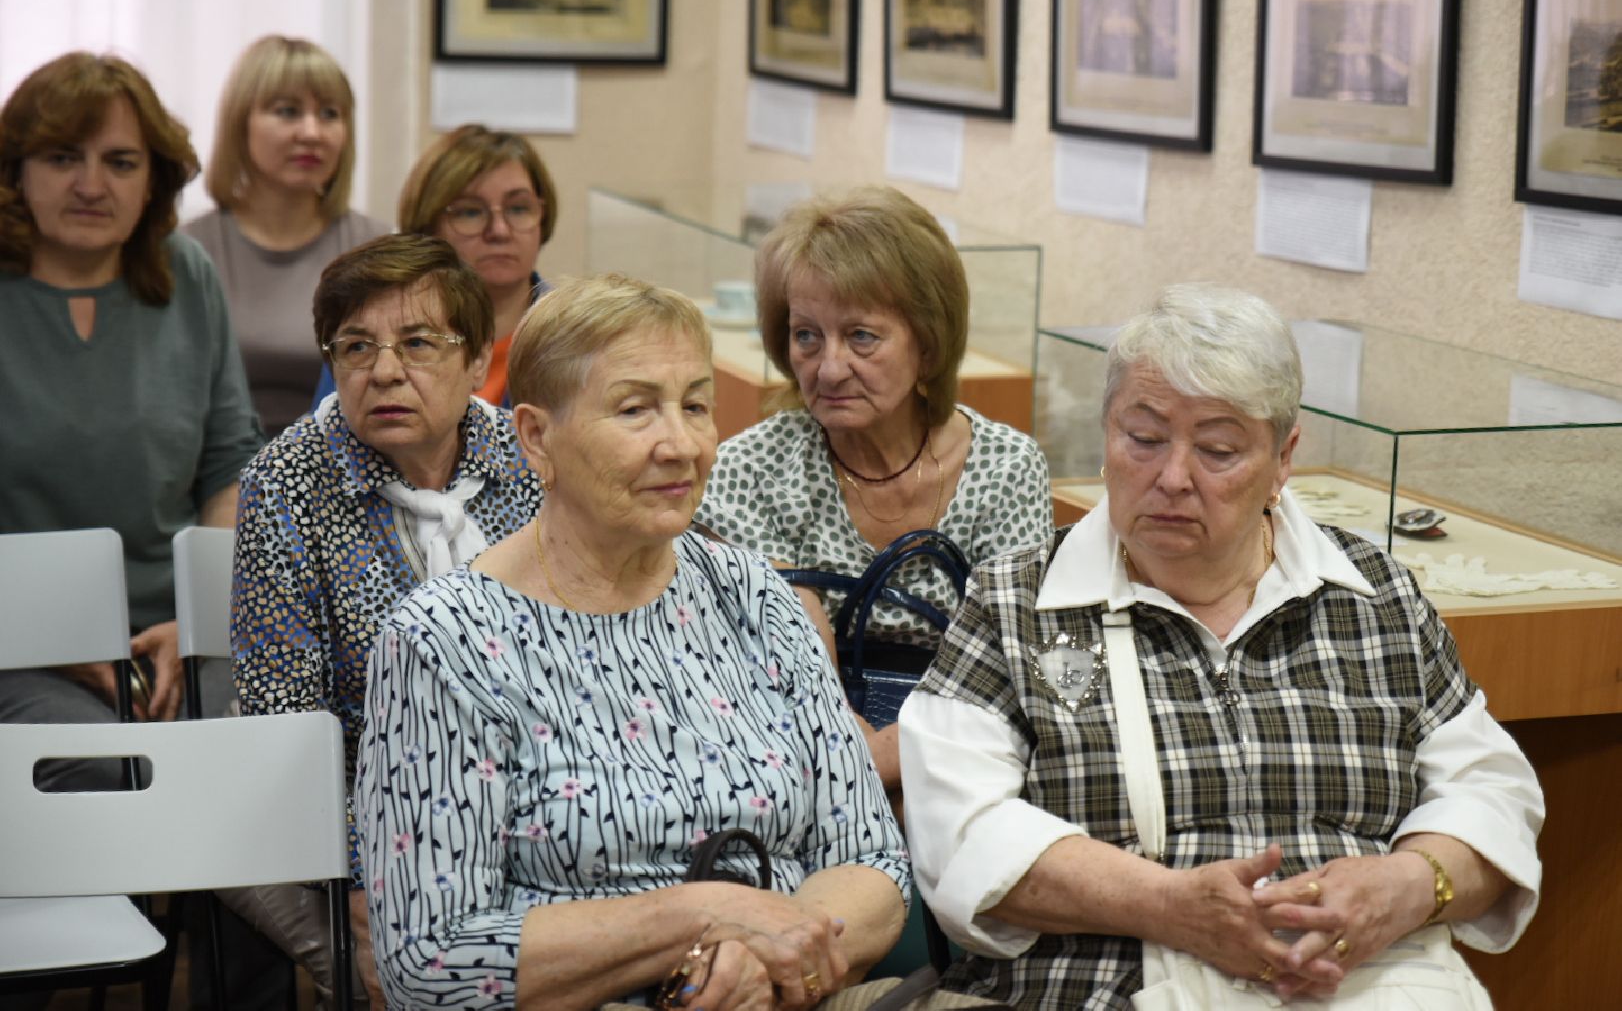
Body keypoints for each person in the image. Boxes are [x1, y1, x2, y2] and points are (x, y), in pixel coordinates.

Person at [898, 286, 1545, 1008]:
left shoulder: (1372, 595)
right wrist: (1169, 905)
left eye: (1218, 449)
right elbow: (958, 830)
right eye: (1143, 439)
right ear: (1105, 432)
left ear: (1283, 456)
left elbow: (1492, 790)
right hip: (1115, 979)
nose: (1173, 478)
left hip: (1374, 979)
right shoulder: (1015, 603)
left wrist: (1414, 884)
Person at [356, 273, 987, 1011]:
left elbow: (873, 862)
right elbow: (430, 962)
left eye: (695, 405)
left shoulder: (753, 596)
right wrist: (697, 920)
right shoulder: (445, 641)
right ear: (536, 435)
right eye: (636, 410)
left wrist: (765, 960)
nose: (682, 444)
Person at [0, 51, 275, 1004]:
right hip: (19, 653)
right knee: (99, 768)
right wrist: (58, 636)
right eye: (62, 156)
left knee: (281, 754)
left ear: (155, 177)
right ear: (15, 171)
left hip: (177, 636)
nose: (90, 184)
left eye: (122, 161)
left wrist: (200, 625)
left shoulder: (184, 276)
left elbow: (230, 462)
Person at [230, 233, 542, 1005]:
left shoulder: (531, 458)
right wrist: (371, 892)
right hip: (352, 815)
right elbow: (287, 725)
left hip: (532, 801)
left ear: (477, 360)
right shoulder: (286, 484)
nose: (385, 371)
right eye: (356, 346)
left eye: (417, 343)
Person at [697, 186, 1054, 793]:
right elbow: (776, 664)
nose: (829, 368)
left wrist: (889, 760)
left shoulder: (1006, 467)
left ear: (928, 342)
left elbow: (1011, 670)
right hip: (800, 754)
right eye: (806, 336)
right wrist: (854, 767)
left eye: (861, 336)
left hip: (964, 749)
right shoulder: (751, 466)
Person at [185, 35, 389, 437]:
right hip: (212, 473)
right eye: (288, 112)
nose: (312, 132)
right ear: (240, 122)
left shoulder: (379, 250)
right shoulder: (188, 249)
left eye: (330, 114)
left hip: (345, 476)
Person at [311, 123, 558, 409]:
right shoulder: (367, 327)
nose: (500, 231)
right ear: (428, 227)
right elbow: (327, 441)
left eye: (518, 208)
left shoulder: (573, 338)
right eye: (471, 212)